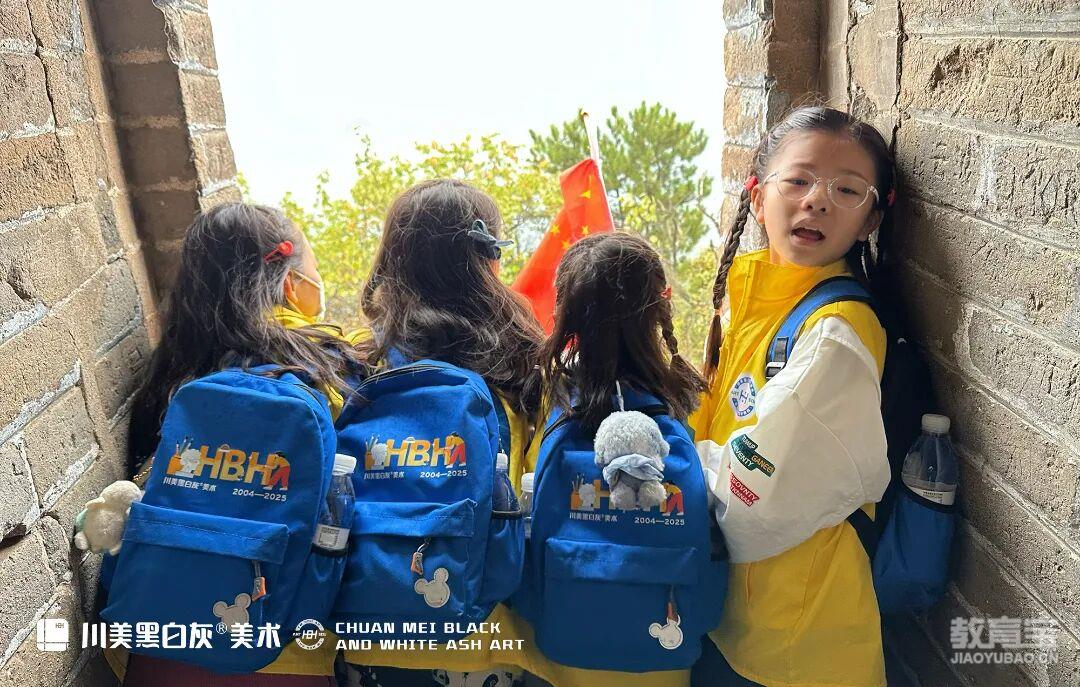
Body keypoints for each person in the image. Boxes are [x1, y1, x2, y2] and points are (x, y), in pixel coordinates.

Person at [98, 203, 368, 686]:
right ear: (290, 283)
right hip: (284, 648)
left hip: (157, 637)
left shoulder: (171, 375)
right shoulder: (330, 362)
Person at [691, 106, 897, 687]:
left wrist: (667, 467)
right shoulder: (757, 294)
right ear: (758, 197)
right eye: (799, 180)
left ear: (871, 218)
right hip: (735, 615)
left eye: (847, 190)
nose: (817, 201)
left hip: (796, 643)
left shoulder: (836, 333)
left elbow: (756, 496)